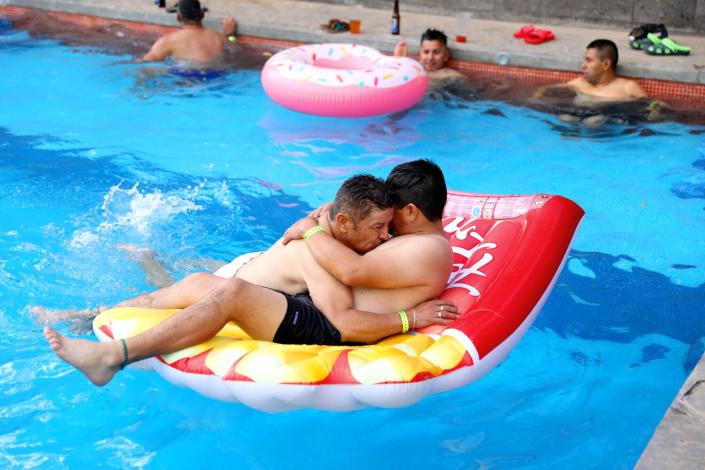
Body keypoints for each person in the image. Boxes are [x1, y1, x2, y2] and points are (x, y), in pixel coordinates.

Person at [43, 160, 459, 386]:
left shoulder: (425, 248)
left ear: (410, 211)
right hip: (320, 307)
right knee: (200, 284)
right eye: (378, 228)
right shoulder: (410, 242)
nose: (385, 235)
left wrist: (315, 231)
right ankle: (90, 314)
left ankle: (113, 357)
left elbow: (349, 283)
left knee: (233, 292)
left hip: (334, 323)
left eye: (389, 225)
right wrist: (321, 229)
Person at [532, 39, 654, 126]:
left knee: (593, 122)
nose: (583, 66)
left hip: (606, 123)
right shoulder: (579, 83)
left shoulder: (627, 87)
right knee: (565, 118)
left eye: (589, 61)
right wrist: (535, 98)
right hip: (577, 119)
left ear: (606, 64)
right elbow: (545, 88)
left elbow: (653, 106)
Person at [138, 0, 237, 64]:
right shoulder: (219, 37)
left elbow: (147, 61)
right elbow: (236, 51)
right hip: (216, 76)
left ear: (178, 17)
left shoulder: (168, 41)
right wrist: (230, 34)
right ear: (203, 15)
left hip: (186, 78)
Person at [394, 28, 467, 91]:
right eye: (426, 52)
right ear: (420, 54)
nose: (430, 57)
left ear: (446, 55)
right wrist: (400, 61)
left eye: (436, 52)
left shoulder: (449, 75)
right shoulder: (413, 69)